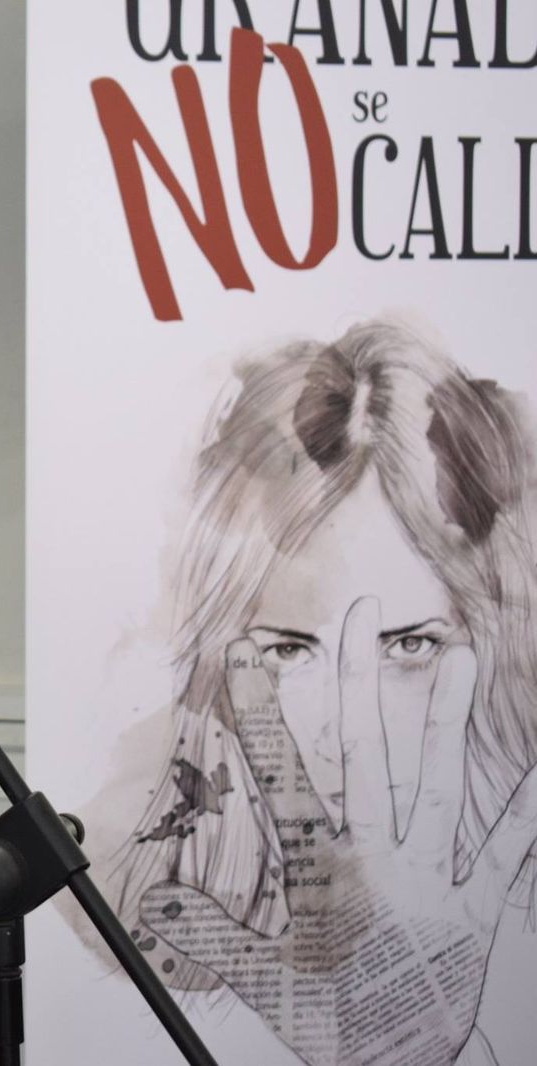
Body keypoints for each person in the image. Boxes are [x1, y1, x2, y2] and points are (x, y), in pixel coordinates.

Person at [99, 321, 537, 1065]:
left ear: (490, 646)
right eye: (291, 651)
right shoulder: (131, 960)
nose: (343, 728)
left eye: (409, 646)